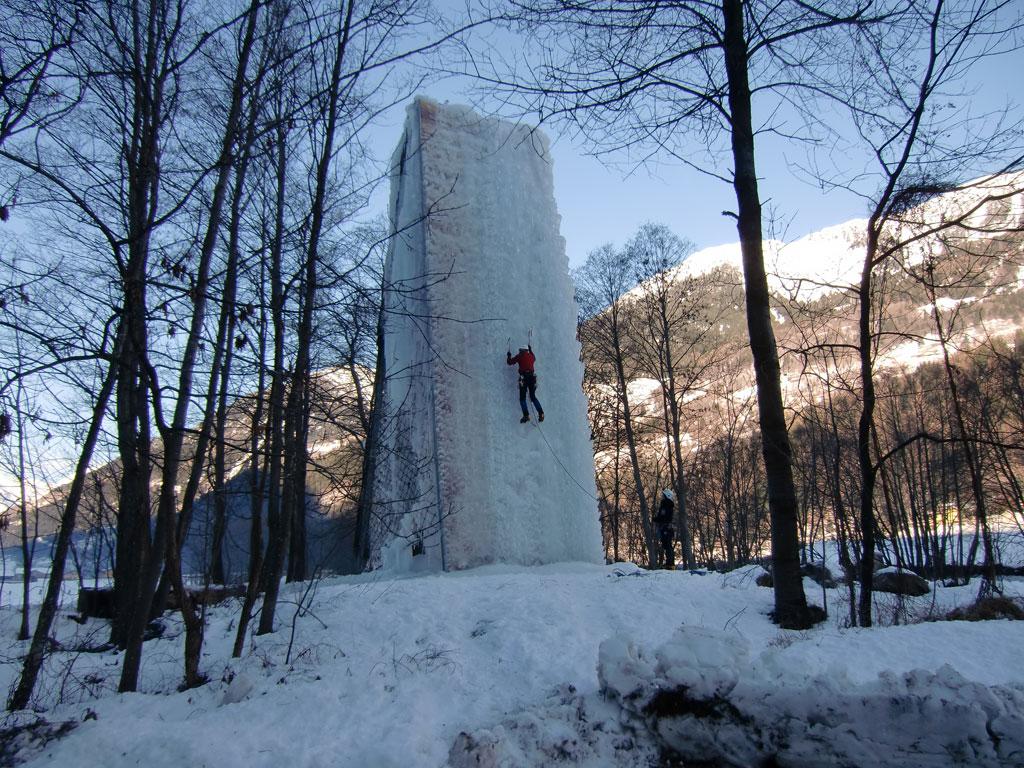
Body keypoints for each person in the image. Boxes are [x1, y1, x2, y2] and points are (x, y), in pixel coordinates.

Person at [506, 344, 544, 424]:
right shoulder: (531, 356)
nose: (519, 351)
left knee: (522, 398)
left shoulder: (520, 356)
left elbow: (509, 362)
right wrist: (531, 349)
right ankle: (541, 413)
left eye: (520, 350)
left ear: (522, 350)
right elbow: (534, 357)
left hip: (524, 378)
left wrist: (509, 355)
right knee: (533, 397)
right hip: (532, 378)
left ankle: (526, 415)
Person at [654, 489, 676, 569]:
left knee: (668, 545)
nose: (662, 497)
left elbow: (663, 517)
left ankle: (670, 564)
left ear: (667, 496)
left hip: (666, 528)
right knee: (667, 545)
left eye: (663, 495)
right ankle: (669, 563)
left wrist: (655, 519)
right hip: (666, 528)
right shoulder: (667, 505)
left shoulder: (666, 506)